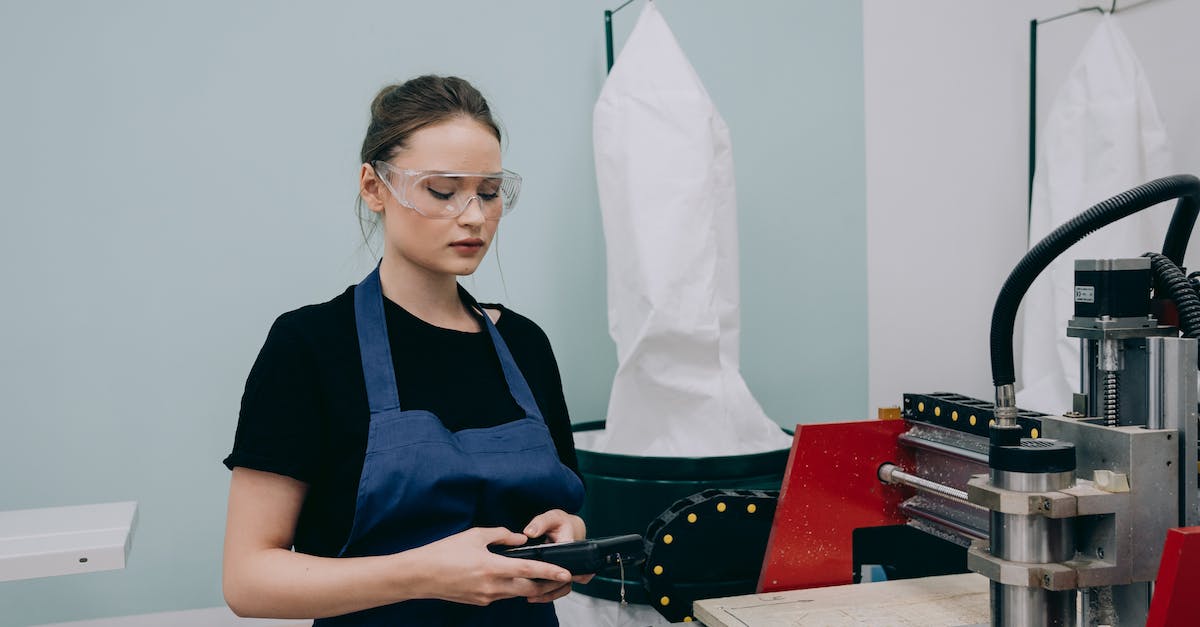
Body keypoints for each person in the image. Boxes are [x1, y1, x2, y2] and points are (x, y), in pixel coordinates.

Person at [221, 75, 588, 626]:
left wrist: (571, 539)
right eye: (442, 191)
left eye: (488, 192)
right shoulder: (310, 348)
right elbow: (248, 581)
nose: (473, 216)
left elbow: (565, 512)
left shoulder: (524, 344)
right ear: (374, 187)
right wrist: (425, 574)